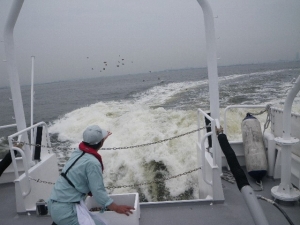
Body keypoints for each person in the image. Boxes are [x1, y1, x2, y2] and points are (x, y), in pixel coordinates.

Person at [47, 125, 134, 225]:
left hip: (54, 204)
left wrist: (99, 139)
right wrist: (116, 208)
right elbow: (98, 192)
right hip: (66, 211)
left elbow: (91, 144)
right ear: (101, 142)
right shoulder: (92, 163)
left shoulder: (78, 151)